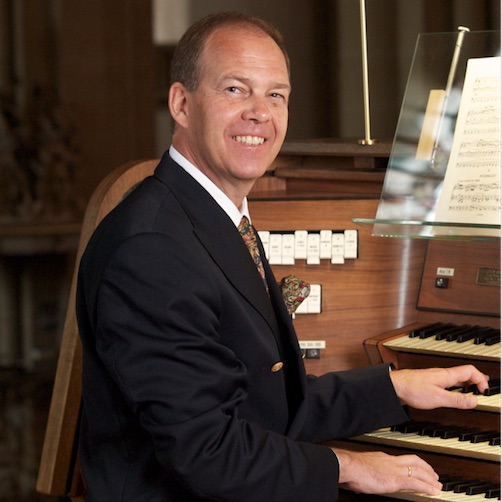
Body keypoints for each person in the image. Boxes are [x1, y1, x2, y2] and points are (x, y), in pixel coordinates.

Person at [76, 11, 489, 501]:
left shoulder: (212, 217)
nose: (260, 113)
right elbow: (208, 450)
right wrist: (350, 466)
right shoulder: (152, 250)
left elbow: (263, 405)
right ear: (181, 104)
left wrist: (394, 387)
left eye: (276, 95)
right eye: (235, 90)